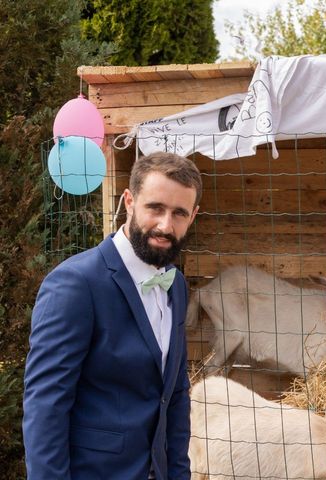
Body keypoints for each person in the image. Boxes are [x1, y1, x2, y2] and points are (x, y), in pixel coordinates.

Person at [23, 152, 202, 479]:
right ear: (129, 201)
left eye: (179, 213)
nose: (166, 225)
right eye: (155, 208)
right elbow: (45, 408)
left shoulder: (175, 284)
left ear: (193, 216)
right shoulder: (76, 283)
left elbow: (174, 394)